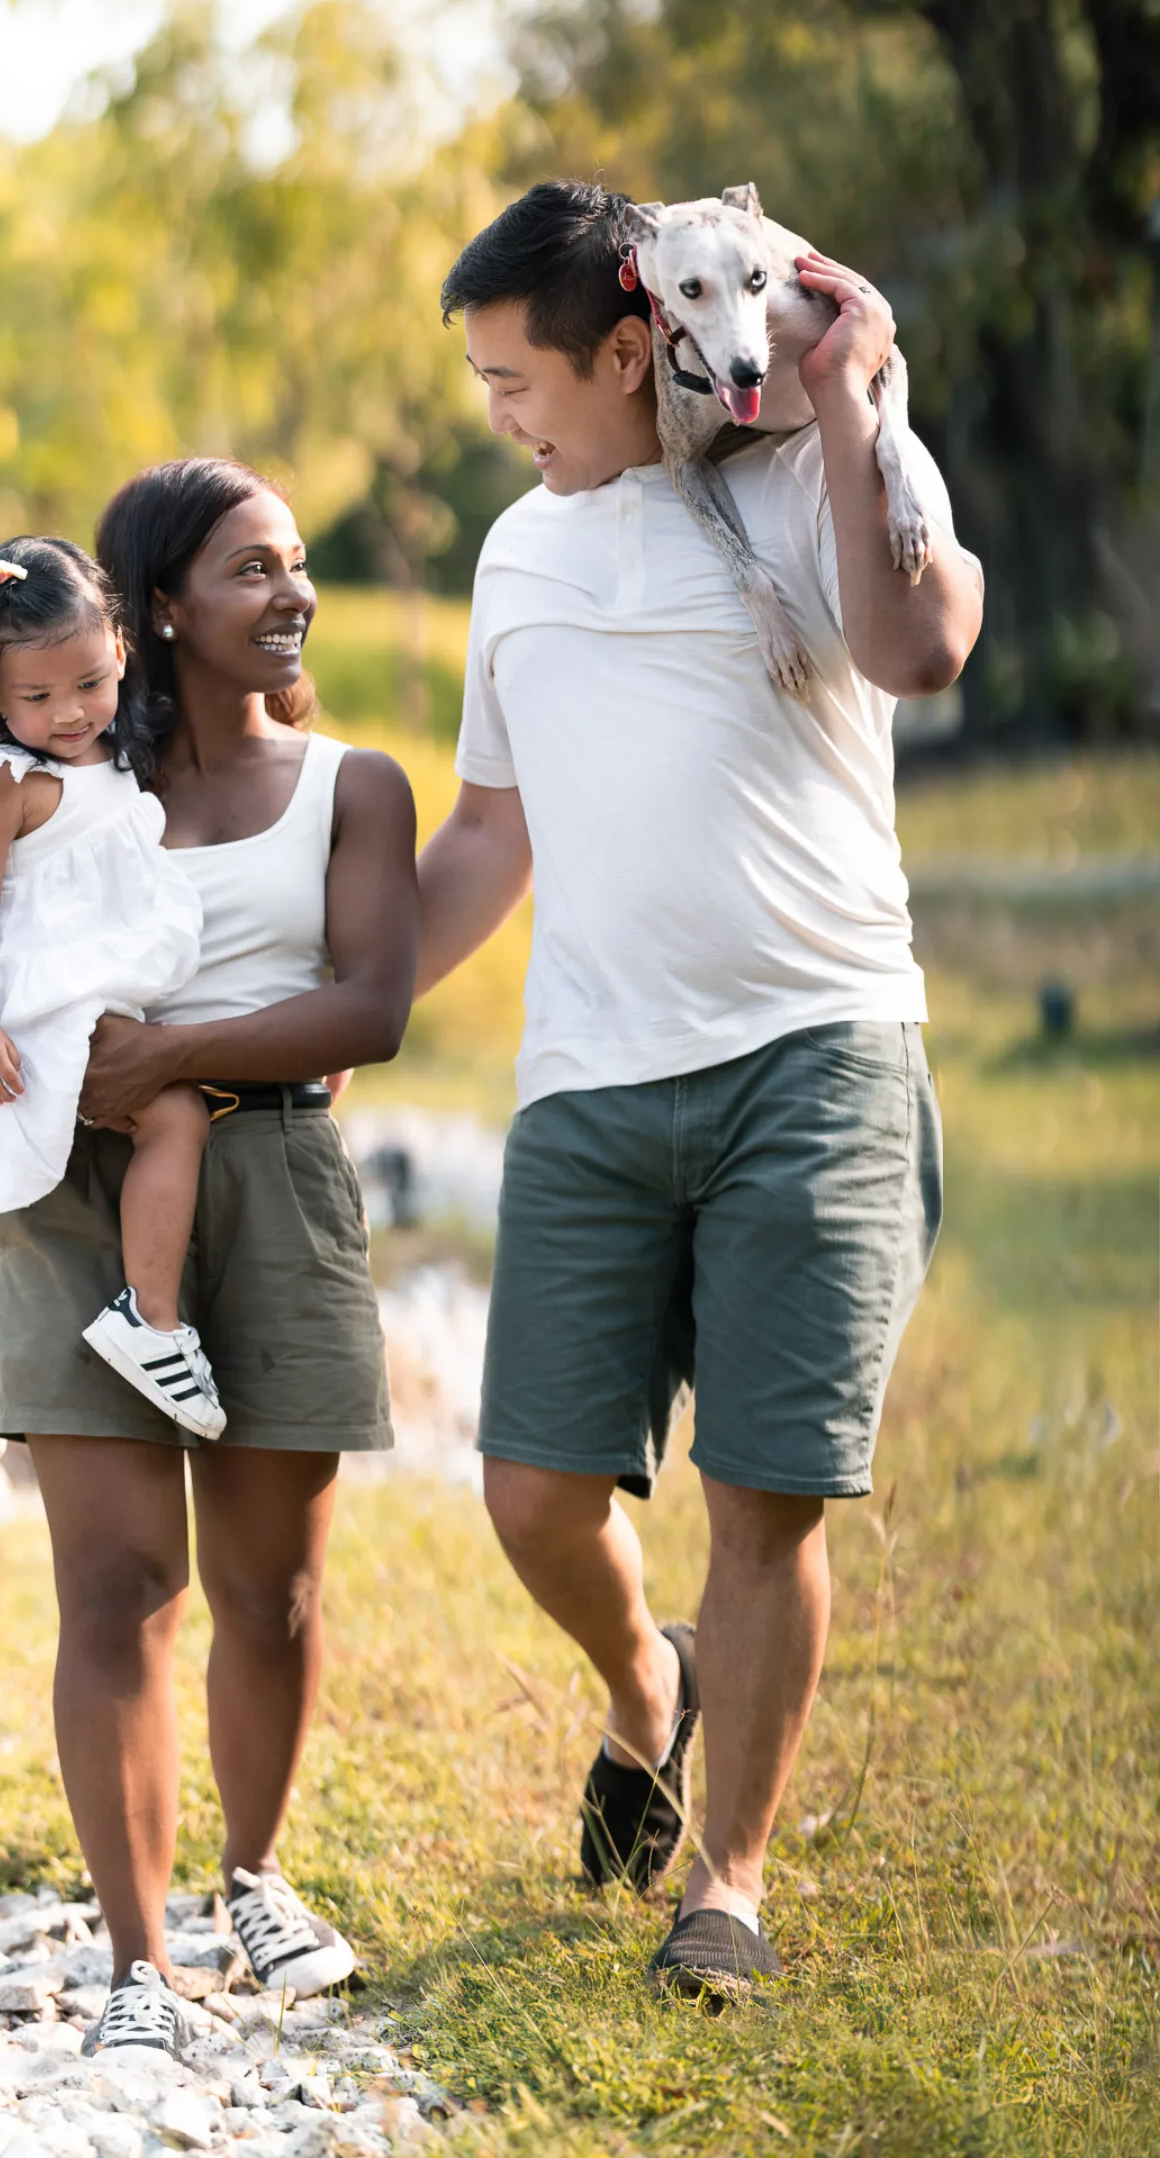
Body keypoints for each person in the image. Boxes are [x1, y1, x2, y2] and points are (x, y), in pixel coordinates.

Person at [418, 181, 984, 1999]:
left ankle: (726, 1879)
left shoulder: (809, 473)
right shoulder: (520, 553)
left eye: (521, 379)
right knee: (528, 1489)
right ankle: (647, 1682)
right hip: (590, 1074)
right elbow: (488, 835)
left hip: (813, 1049)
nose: (503, 414)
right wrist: (315, 1003)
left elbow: (925, 651)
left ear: (633, 344)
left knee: (766, 1492)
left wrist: (843, 399)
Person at [0, 460, 418, 2056]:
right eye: (251, 568)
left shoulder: (356, 786)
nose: (292, 591)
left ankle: (256, 1875)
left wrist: (174, 1058)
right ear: (163, 602)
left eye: (297, 563)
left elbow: (372, 1005)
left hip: (276, 1178)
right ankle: (137, 1962)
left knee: (272, 1590)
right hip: (81, 1188)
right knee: (115, 1587)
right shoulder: (74, 770)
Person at [0, 536, 223, 1455]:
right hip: (22, 999)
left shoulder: (116, 750)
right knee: (172, 1115)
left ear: (121, 655)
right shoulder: (0, 780)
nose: (70, 712)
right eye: (36, 696)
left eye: (89, 684)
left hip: (69, 984)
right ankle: (149, 1317)